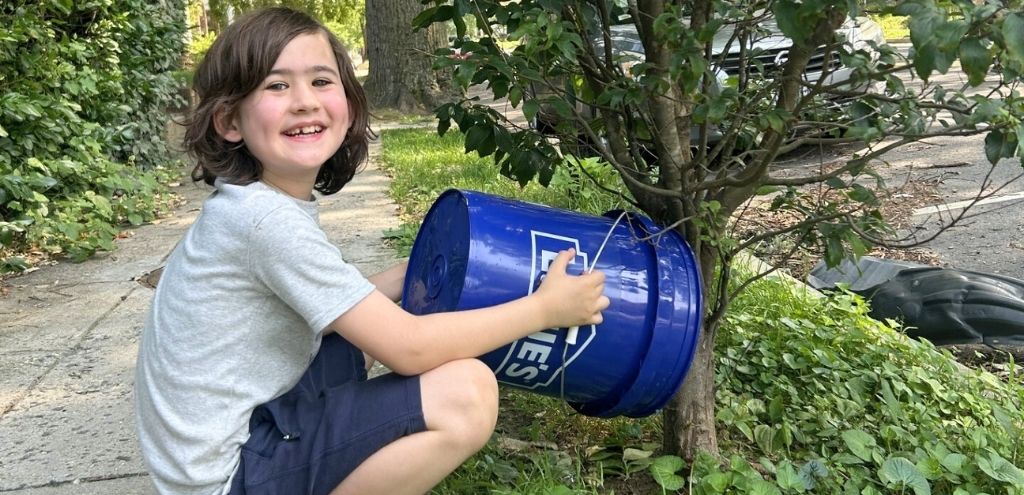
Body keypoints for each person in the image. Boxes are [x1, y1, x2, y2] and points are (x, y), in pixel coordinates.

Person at [133, 6, 609, 495]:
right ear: (229, 121)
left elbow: (345, 303)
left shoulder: (254, 204)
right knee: (466, 392)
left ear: (349, 101)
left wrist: (412, 271)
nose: (303, 102)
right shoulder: (264, 222)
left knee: (357, 333)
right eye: (277, 86)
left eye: (321, 81)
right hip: (227, 476)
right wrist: (544, 309)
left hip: (236, 433)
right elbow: (409, 348)